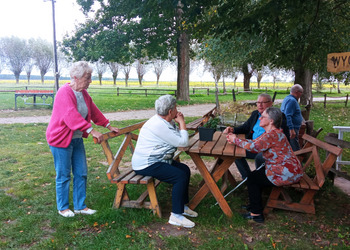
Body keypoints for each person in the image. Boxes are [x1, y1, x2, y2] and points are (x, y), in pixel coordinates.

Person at [46, 61, 120, 218]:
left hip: (76, 139)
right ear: (76, 77)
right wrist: (92, 131)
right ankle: (63, 207)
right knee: (64, 174)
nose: (90, 81)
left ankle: (80, 206)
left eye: (90, 77)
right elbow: (70, 115)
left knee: (81, 172)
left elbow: (94, 111)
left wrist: (107, 125)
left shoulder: (84, 94)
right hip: (60, 140)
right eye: (87, 78)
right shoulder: (64, 92)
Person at [226, 107, 303, 223]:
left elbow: (254, 148)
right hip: (286, 169)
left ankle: (256, 214)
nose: (260, 118)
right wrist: (235, 140)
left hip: (287, 173)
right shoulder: (272, 133)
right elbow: (254, 143)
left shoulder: (271, 135)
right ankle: (253, 205)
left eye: (263, 117)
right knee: (255, 176)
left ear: (271, 121)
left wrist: (235, 140)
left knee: (252, 179)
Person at [131, 95, 197, 228]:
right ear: (170, 111)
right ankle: (176, 216)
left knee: (184, 169)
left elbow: (179, 138)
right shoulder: (159, 125)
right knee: (179, 177)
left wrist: (178, 125)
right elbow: (183, 142)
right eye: (176, 107)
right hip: (146, 163)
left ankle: (182, 206)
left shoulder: (166, 122)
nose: (177, 110)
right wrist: (182, 122)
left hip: (159, 159)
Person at [223, 94, 290, 179]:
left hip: (266, 150)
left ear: (270, 103)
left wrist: (236, 140)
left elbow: (264, 143)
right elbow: (246, 128)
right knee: (235, 151)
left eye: (262, 102)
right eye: (258, 102)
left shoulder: (278, 119)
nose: (259, 105)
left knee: (237, 152)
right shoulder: (256, 114)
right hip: (255, 144)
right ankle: (248, 178)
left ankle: (252, 179)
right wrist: (233, 130)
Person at [281, 84, 304, 151]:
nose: (301, 95)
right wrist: (291, 129)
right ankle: (297, 160)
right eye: (301, 92)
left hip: (291, 126)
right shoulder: (292, 101)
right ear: (297, 92)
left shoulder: (287, 98)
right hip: (292, 127)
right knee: (294, 147)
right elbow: (287, 115)